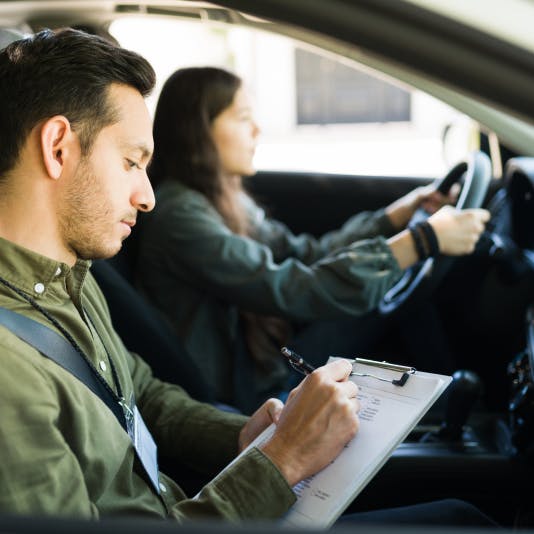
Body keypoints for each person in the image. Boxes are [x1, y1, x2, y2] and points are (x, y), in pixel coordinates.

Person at [0, 28, 497, 528]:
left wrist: (246, 438)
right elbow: (296, 284)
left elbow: (142, 396)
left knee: (461, 514)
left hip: (186, 502)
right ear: (59, 147)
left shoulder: (73, 280)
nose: (146, 197)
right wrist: (280, 461)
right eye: (130, 162)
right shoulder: (10, 375)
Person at [135, 66, 490, 413]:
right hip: (242, 393)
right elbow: (291, 287)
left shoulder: (224, 198)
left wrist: (393, 218)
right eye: (243, 118)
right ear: (198, 130)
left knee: (389, 291)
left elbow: (306, 254)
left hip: (263, 363)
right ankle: (457, 416)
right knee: (385, 296)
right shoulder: (181, 216)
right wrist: (420, 242)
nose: (258, 129)